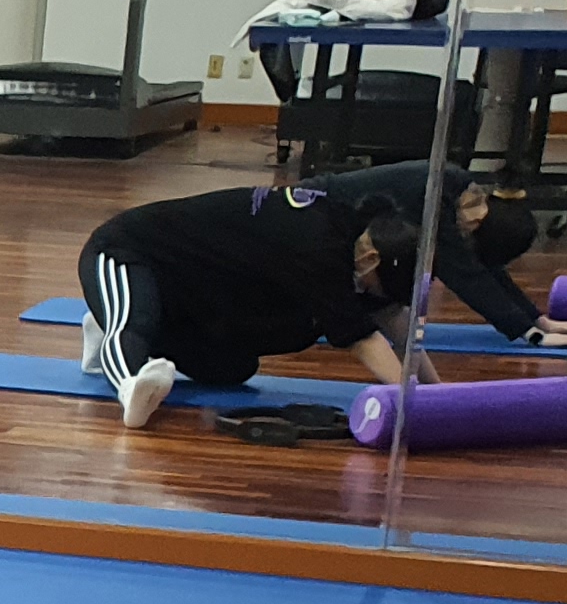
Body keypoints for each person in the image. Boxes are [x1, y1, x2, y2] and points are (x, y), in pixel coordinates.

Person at [72, 177, 439, 428]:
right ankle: (129, 389)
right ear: (372, 259)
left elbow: (396, 322)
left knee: (231, 368)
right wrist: (416, 407)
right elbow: (362, 339)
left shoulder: (356, 239)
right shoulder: (318, 247)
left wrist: (439, 394)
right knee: (134, 325)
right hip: (125, 253)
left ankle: (107, 325)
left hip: (184, 289)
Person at [305, 161, 567, 350]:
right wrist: (531, 334)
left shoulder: (463, 193)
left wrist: (538, 320)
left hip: (333, 226)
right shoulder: (435, 197)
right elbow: (465, 275)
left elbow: (484, 269)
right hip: (312, 214)